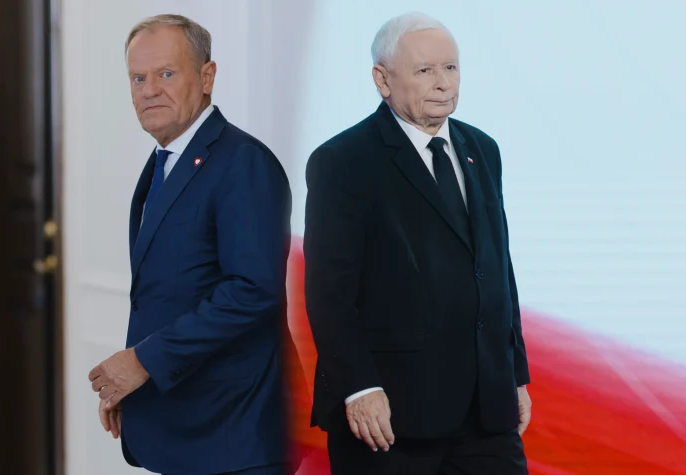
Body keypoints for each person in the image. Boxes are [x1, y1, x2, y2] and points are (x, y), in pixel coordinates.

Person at [303, 12, 532, 475]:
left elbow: (498, 270)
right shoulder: (343, 161)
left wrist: (515, 375)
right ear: (382, 80)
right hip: (390, 415)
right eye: (425, 70)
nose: (443, 83)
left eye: (451, 67)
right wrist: (359, 387)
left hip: (485, 411)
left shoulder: (482, 149)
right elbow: (329, 292)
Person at [87, 14, 291, 475]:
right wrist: (134, 382)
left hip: (231, 437)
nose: (149, 90)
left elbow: (252, 292)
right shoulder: (165, 160)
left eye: (165, 73)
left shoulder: (244, 162)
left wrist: (142, 362)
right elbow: (168, 294)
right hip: (180, 422)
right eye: (138, 78)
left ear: (207, 76)